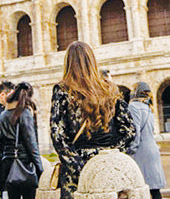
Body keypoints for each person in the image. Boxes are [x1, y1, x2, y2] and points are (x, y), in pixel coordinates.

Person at [50, 41, 135, 199]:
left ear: (68, 63)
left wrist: (79, 166)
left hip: (76, 171)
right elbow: (129, 131)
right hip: (110, 169)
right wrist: (112, 155)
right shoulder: (109, 88)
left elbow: (57, 134)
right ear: (92, 61)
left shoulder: (63, 90)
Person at [0, 82, 43, 199]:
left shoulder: (2, 115)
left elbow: (1, 143)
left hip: (9, 165)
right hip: (24, 164)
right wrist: (40, 169)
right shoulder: (24, 113)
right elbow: (31, 144)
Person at [127, 82, 166, 199]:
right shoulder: (148, 107)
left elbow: (136, 132)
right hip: (152, 150)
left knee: (139, 189)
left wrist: (129, 151)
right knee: (154, 190)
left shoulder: (134, 107)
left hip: (141, 152)